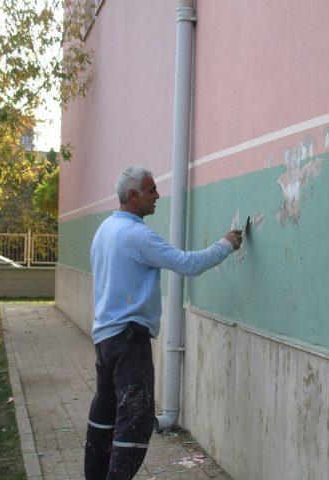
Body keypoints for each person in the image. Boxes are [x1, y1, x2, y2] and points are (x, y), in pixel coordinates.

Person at [84, 166, 242, 479]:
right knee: (136, 423)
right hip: (129, 342)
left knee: (105, 416)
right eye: (151, 190)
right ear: (133, 196)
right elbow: (187, 264)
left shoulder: (106, 229)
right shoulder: (138, 235)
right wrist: (226, 244)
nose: (157, 196)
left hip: (105, 340)